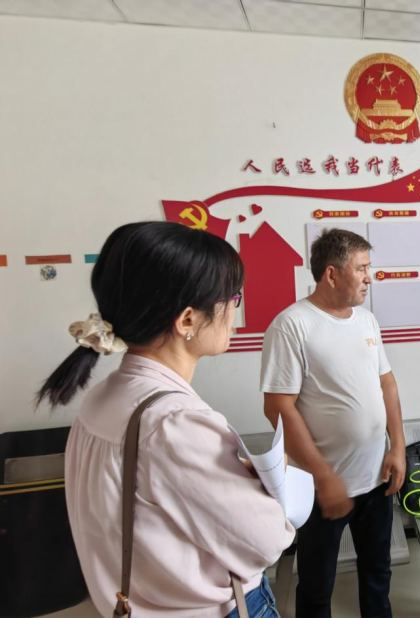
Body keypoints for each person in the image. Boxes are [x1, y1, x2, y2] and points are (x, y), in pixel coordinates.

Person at [37, 222, 295, 618]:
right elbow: (268, 540)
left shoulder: (103, 397)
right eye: (233, 297)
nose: (235, 310)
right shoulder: (175, 422)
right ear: (187, 320)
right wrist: (268, 491)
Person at [260, 228, 405, 618]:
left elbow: (387, 383)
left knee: (378, 573)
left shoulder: (366, 320)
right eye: (362, 268)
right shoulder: (292, 325)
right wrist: (324, 477)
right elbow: (277, 407)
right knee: (317, 585)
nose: (369, 277)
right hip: (321, 488)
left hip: (376, 478)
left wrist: (398, 448)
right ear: (332, 274)